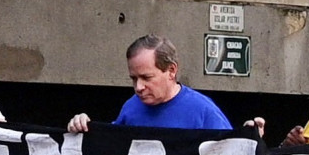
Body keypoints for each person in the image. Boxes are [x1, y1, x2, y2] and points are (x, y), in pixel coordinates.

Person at [67, 35, 230, 132]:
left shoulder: (204, 112)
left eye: (147, 78)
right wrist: (83, 127)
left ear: (171, 71)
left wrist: (251, 134)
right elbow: (108, 147)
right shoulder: (130, 108)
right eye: (134, 78)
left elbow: (233, 153)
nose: (138, 87)